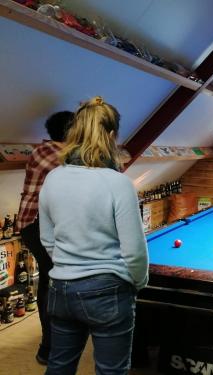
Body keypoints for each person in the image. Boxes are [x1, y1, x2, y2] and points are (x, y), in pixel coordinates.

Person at [39, 96, 149, 375]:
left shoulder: (53, 177)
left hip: (60, 290)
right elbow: (134, 250)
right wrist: (138, 281)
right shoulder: (118, 183)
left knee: (58, 367)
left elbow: (47, 239)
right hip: (109, 289)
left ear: (75, 132)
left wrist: (69, 264)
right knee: (111, 371)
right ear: (112, 135)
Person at [17, 110, 74, 365]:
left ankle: (57, 341)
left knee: (56, 281)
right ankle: (49, 348)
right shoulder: (50, 152)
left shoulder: (59, 151)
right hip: (37, 225)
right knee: (52, 281)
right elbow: (81, 171)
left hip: (50, 224)